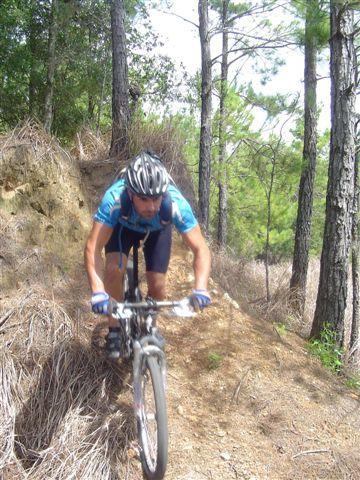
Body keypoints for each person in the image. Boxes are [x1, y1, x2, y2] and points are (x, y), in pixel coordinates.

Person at [84, 150, 211, 359]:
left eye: (156, 198)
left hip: (157, 231)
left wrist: (201, 288)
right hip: (121, 228)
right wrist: (98, 291)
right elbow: (93, 247)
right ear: (131, 194)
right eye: (143, 199)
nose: (151, 206)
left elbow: (200, 248)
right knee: (114, 269)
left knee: (158, 284)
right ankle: (115, 329)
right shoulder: (114, 199)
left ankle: (151, 324)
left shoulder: (175, 204)